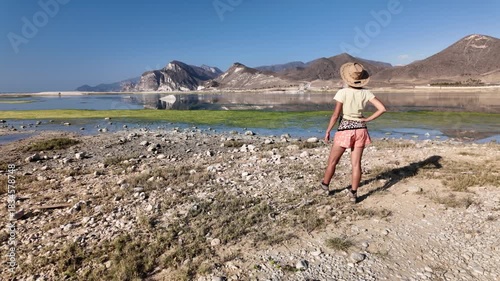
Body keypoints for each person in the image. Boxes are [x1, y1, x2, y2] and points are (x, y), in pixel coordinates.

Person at [321, 62, 386, 203]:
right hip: (361, 130)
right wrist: (367, 119)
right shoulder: (366, 93)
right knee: (356, 164)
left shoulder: (342, 92)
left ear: (347, 78)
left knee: (333, 162)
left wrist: (328, 131)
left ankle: (325, 186)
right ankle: (353, 194)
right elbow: (382, 108)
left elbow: (335, 115)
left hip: (345, 129)